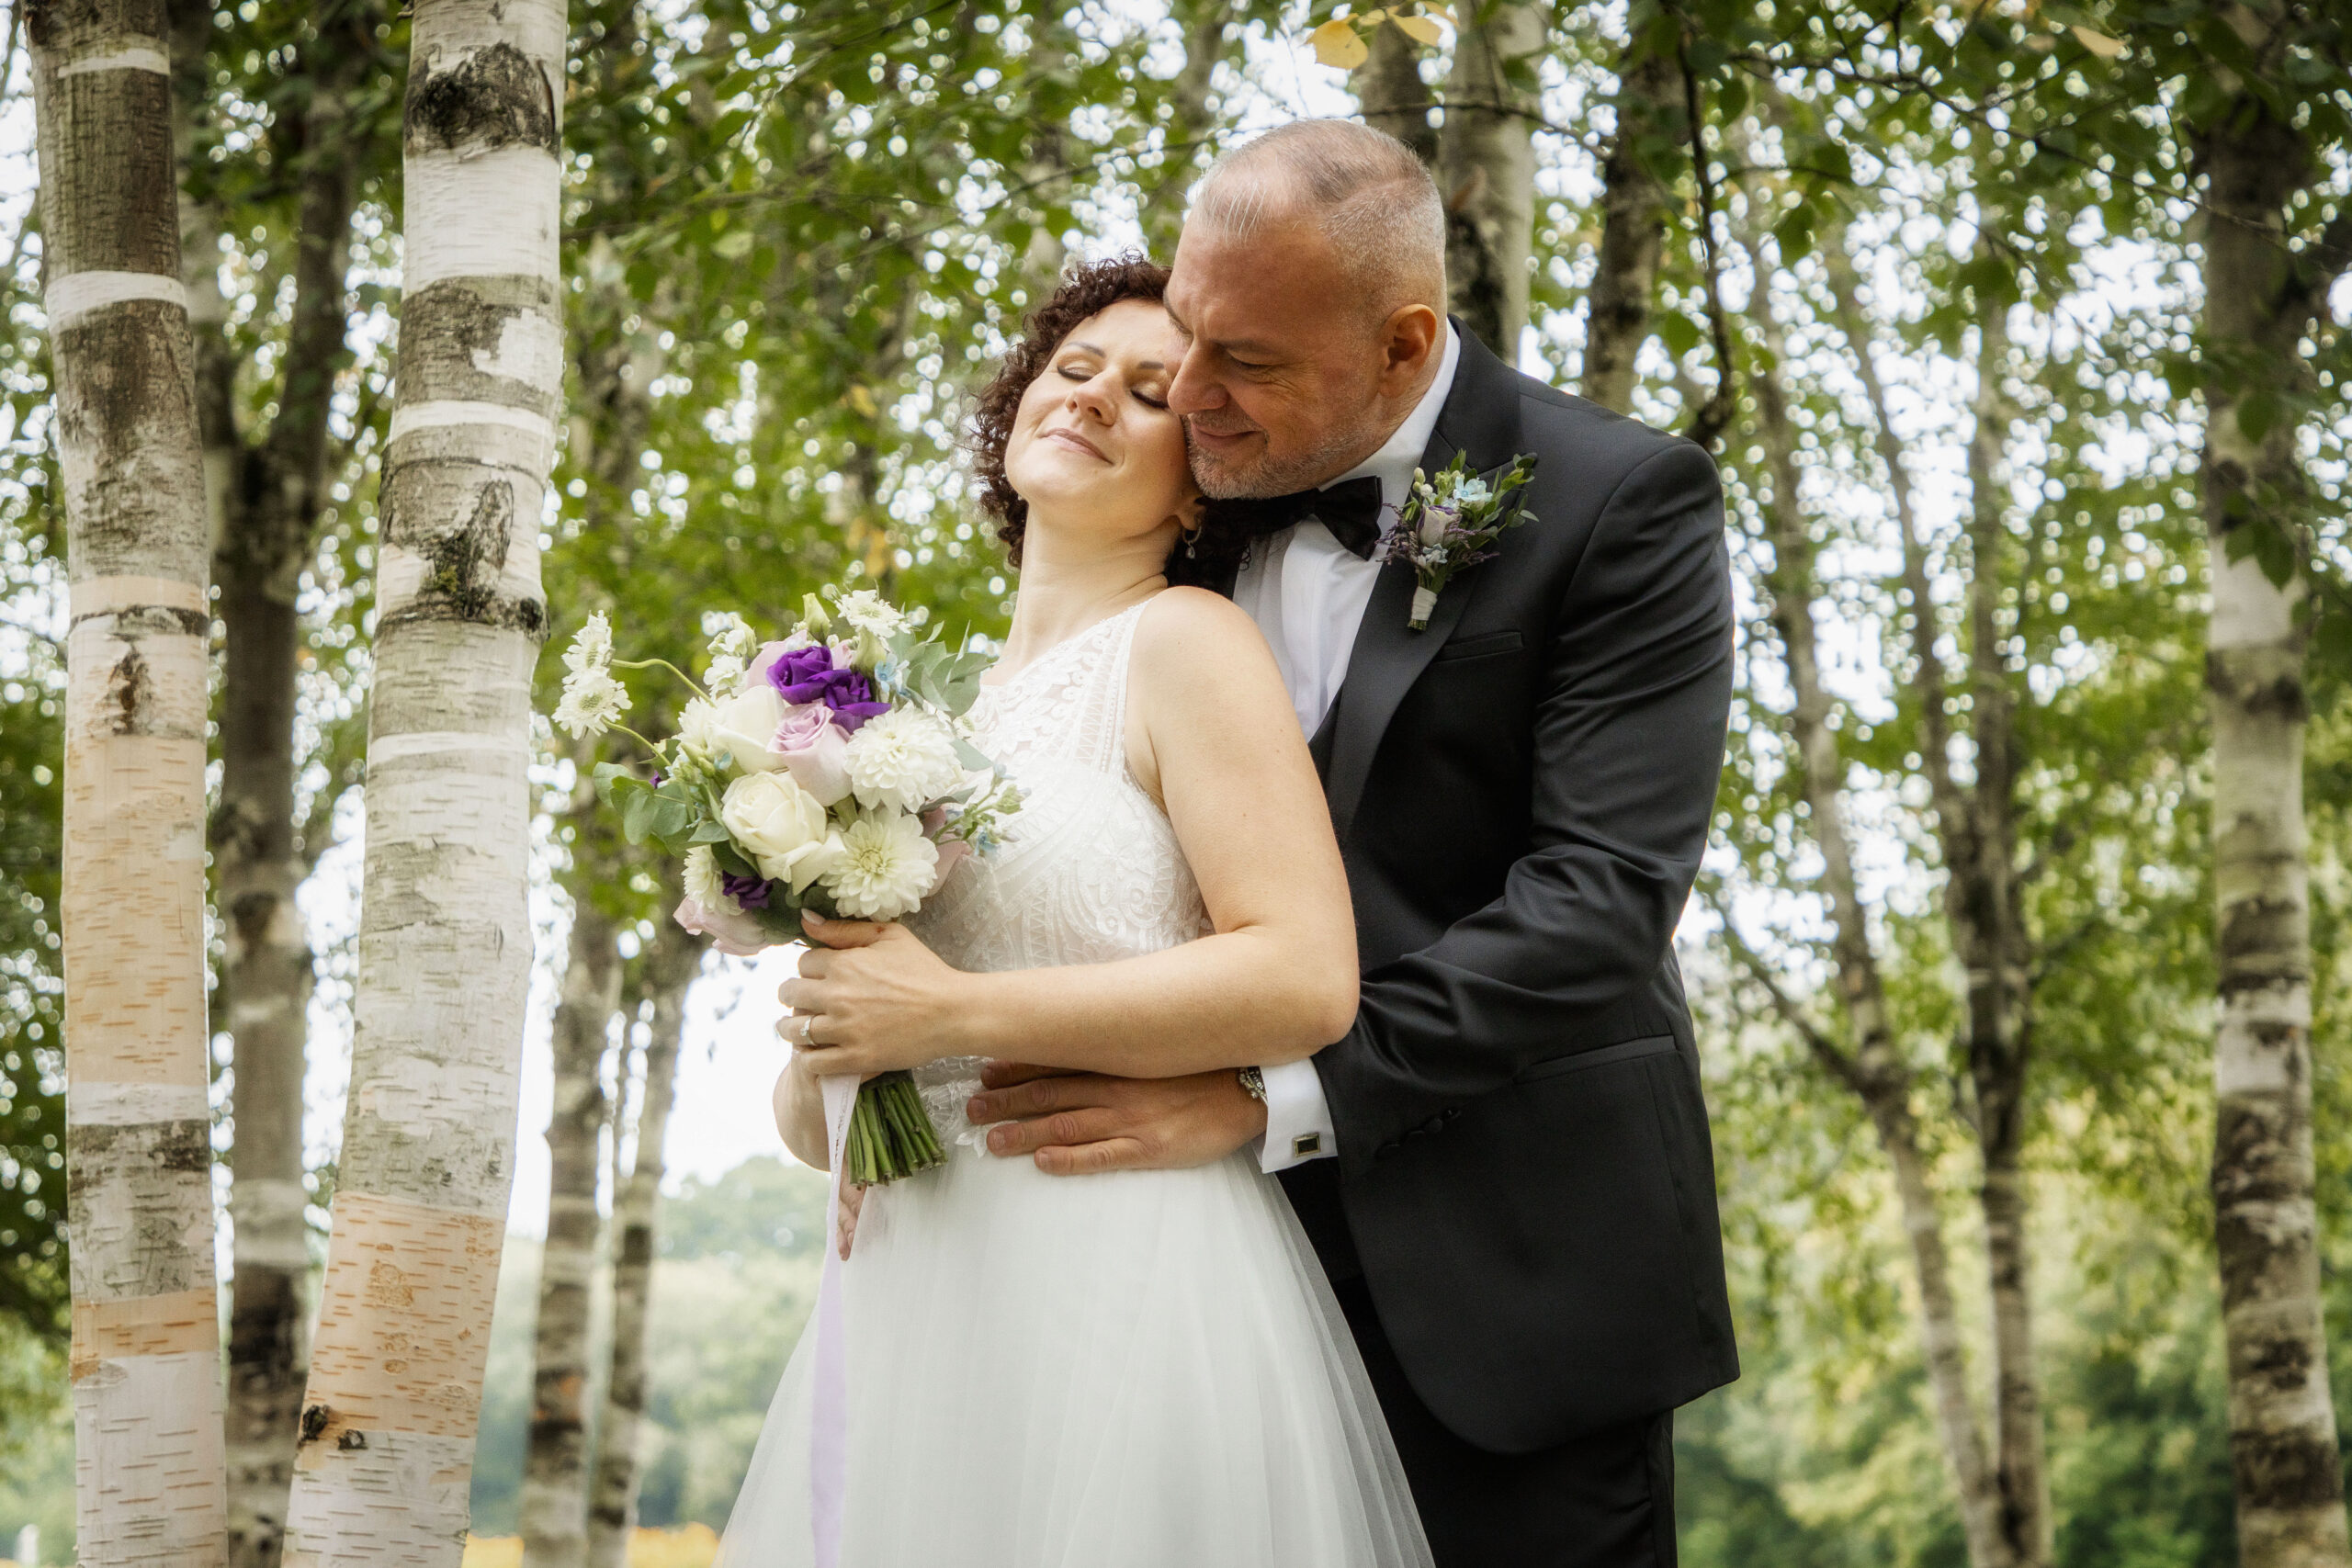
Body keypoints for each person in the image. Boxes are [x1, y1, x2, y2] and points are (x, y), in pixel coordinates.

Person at [960, 120, 1740, 1566]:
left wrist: (1271, 1096)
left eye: (1243, 360)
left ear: (1402, 347)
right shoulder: (1187, 500)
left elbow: (1598, 903)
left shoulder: (1618, 503)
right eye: (1184, 336)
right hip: (1178, 1286)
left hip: (1513, 1274)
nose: (1188, 394)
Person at [718, 257, 1433, 1568]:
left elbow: (1304, 975)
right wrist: (834, 1036)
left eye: (1152, 394)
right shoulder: (916, 728)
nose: (1098, 398)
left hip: (1117, 1266)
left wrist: (951, 1009)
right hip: (919, 1294)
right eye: (1077, 367)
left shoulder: (1186, 646)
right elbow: (820, 1126)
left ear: (1201, 471)